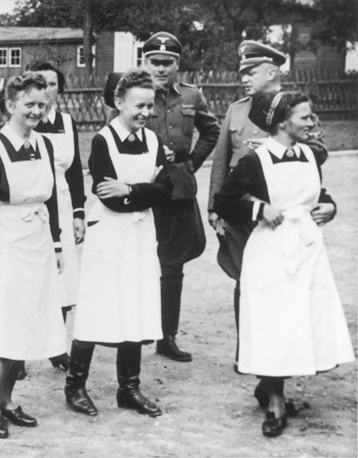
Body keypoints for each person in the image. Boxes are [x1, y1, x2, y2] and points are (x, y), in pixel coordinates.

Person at [212, 91, 354, 437]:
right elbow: (225, 202)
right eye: (305, 117)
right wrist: (258, 210)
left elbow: (316, 194)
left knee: (300, 318)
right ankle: (274, 397)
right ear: (281, 122)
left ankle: (271, 386)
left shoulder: (309, 154)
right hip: (271, 251)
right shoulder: (254, 160)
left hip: (306, 248)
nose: (312, 122)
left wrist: (330, 207)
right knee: (274, 321)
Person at [206, 41, 329, 364]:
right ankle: (246, 350)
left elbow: (319, 150)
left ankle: (283, 352)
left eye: (251, 71)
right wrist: (213, 209)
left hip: (282, 211)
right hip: (242, 209)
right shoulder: (236, 109)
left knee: (284, 281)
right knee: (242, 278)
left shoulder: (295, 109)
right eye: (242, 72)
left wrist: (277, 146)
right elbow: (221, 159)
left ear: (272, 71)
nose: (244, 78)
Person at [65, 69, 172, 418]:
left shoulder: (154, 141)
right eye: (138, 105)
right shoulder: (102, 141)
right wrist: (144, 190)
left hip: (140, 234)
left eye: (149, 106)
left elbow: (167, 189)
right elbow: (108, 197)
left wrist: (130, 189)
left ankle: (129, 388)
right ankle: (75, 386)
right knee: (98, 305)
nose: (145, 112)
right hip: (110, 233)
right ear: (118, 102)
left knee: (136, 304)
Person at [0, 72, 67, 439]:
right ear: (10, 105)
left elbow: (53, 198)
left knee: (29, 322)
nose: (37, 111)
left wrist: (56, 244)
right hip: (6, 243)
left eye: (42, 104)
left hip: (37, 240)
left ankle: (8, 400)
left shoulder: (45, 144)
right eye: (29, 104)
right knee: (8, 325)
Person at [118, 31, 219, 362]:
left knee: (172, 267)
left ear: (177, 64)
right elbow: (116, 136)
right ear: (144, 62)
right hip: (144, 190)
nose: (161, 68)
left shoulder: (192, 95)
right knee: (136, 262)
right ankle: (133, 329)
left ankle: (167, 335)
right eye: (155, 62)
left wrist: (192, 161)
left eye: (168, 62)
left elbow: (212, 131)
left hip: (176, 191)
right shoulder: (132, 94)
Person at [26, 61, 86, 375]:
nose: (47, 91)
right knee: (34, 277)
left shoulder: (66, 121)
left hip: (61, 204)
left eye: (52, 85)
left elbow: (74, 171)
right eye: (41, 84)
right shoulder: (25, 121)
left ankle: (55, 347)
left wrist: (78, 213)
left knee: (64, 280)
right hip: (34, 206)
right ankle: (19, 353)